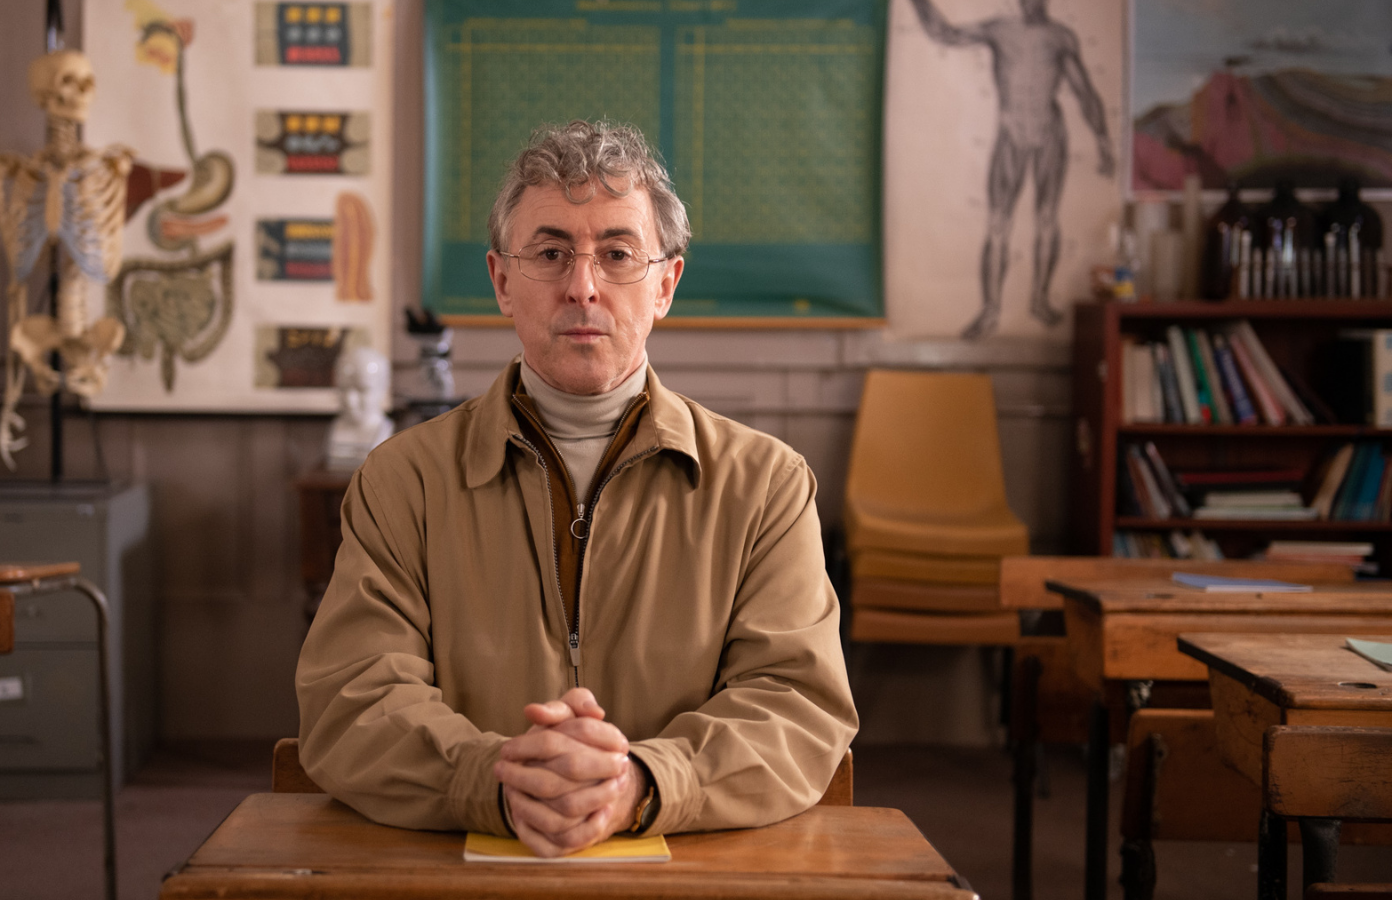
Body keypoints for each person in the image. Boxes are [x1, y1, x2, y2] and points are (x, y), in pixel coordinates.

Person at [295, 120, 858, 858]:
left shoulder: (765, 487)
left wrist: (643, 783)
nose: (582, 286)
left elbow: (797, 708)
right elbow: (351, 702)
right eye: (552, 252)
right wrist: (492, 779)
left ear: (665, 285)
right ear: (501, 280)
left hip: (693, 873)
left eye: (618, 254)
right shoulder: (402, 482)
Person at [909, 0, 1115, 340]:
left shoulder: (1061, 38)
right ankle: (991, 310)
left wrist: (1103, 139)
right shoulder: (999, 30)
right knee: (998, 223)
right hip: (1011, 133)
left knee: (1047, 219)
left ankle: (1039, 300)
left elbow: (1085, 92)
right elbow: (944, 33)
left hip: (1050, 131)